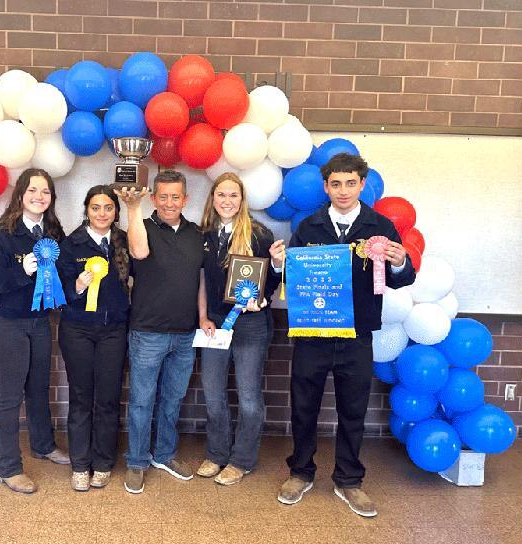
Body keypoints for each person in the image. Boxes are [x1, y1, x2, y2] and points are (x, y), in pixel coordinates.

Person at [270, 153, 415, 517]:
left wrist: (399, 262)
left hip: (357, 336)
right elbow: (294, 279)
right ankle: (300, 472)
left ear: (362, 185)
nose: (343, 190)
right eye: (336, 183)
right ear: (326, 186)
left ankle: (349, 479)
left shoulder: (380, 226)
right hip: (312, 336)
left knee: (353, 410)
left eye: (351, 183)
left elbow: (401, 279)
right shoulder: (309, 227)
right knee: (303, 407)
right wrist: (277, 265)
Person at [0, 168, 70, 494]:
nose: (39, 197)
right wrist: (21, 269)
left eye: (45, 192)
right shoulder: (1, 234)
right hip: (4, 324)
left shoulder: (54, 234)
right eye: (33, 190)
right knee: (9, 397)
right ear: (20, 194)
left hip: (39, 323)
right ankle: (8, 467)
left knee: (38, 390)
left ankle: (43, 445)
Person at [118, 170, 204, 494]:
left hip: (184, 335)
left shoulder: (196, 234)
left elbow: (201, 281)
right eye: (163, 196)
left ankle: (164, 454)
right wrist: (132, 208)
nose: (169, 203)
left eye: (176, 196)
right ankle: (137, 461)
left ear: (185, 199)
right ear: (154, 198)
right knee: (142, 401)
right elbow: (139, 253)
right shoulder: (143, 227)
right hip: (148, 333)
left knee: (172, 399)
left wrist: (204, 317)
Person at [196, 172, 281, 486]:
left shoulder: (259, 234)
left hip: (251, 326)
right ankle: (217, 454)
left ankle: (241, 459)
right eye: (221, 195)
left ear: (242, 200)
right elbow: (202, 281)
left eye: (233, 195)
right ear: (213, 198)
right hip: (214, 327)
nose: (227, 201)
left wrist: (273, 268)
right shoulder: (204, 236)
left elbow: (269, 282)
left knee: (247, 397)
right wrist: (203, 317)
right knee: (213, 394)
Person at [56, 185, 131, 492]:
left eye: (108, 208)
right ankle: (80, 464)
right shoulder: (71, 244)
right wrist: (75, 286)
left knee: (109, 398)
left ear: (116, 212)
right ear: (86, 210)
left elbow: (138, 275)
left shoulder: (124, 241)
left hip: (114, 330)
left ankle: (102, 462)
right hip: (78, 330)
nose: (102, 213)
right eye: (96, 207)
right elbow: (56, 291)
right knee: (82, 397)